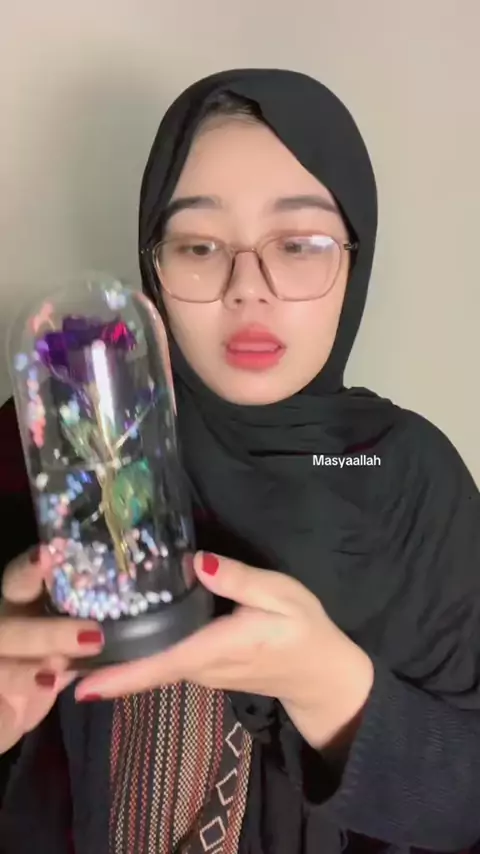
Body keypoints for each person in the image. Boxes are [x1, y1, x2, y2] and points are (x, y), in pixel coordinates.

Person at [1, 67, 480, 854]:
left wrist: (329, 686)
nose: (247, 289)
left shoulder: (414, 478)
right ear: (153, 262)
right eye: (199, 245)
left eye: (297, 245)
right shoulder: (60, 446)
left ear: (354, 259)